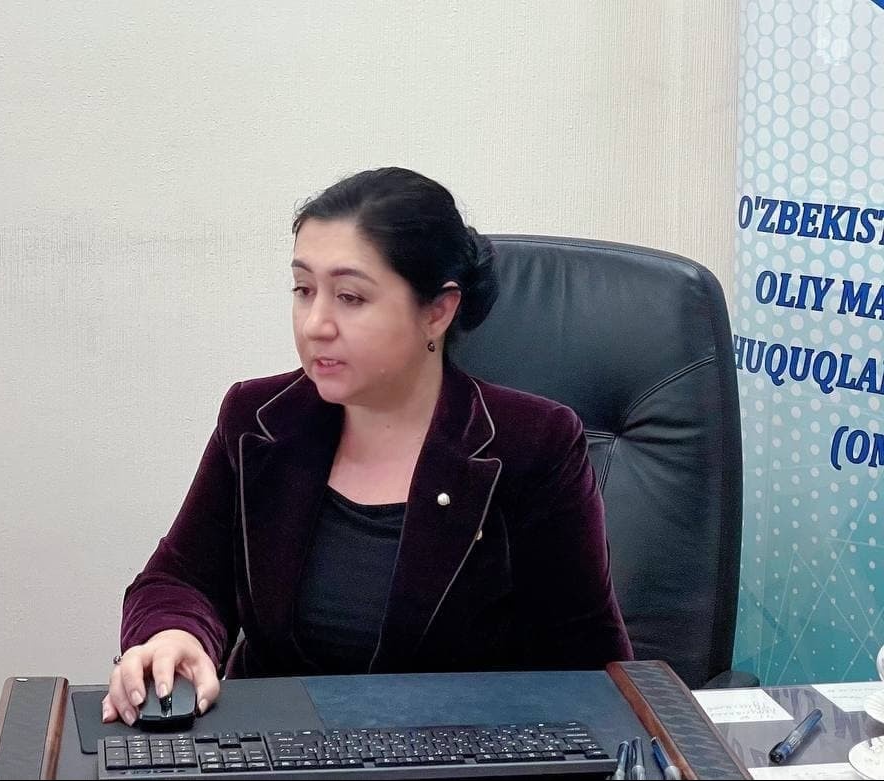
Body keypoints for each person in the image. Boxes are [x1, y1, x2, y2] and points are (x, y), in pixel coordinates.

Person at [101, 167, 633, 726]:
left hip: (458, 751)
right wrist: (172, 634)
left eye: (350, 297)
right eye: (304, 290)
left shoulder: (534, 444)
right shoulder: (258, 421)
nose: (316, 324)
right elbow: (180, 578)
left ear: (437, 311)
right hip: (279, 747)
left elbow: (591, 667)